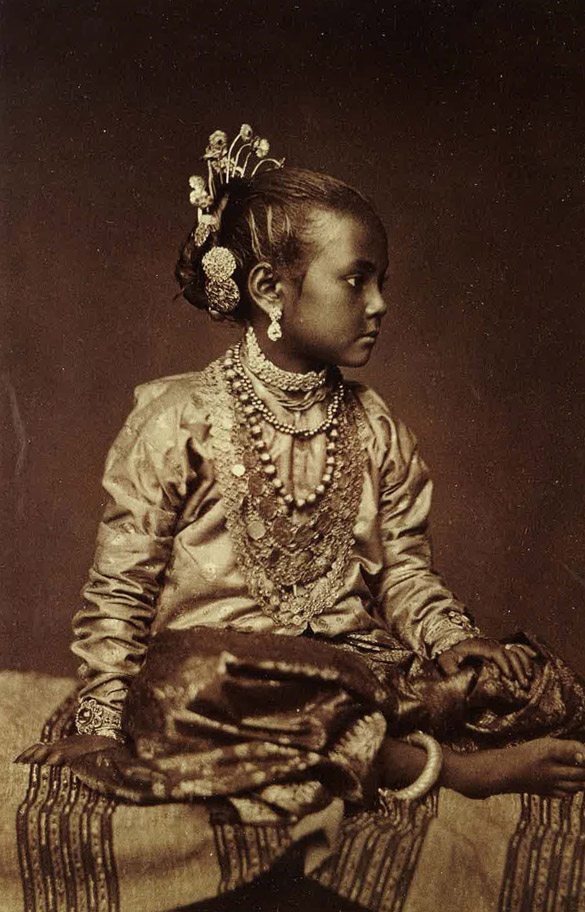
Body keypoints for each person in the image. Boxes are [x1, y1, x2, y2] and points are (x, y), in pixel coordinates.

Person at [17, 124, 585, 816]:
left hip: (357, 673)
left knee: (531, 687)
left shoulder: (375, 427)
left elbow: (403, 572)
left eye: (381, 283)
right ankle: (455, 770)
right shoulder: (176, 419)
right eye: (356, 280)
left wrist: (452, 639)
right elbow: (121, 585)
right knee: (186, 687)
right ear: (268, 288)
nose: (378, 304)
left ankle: (377, 727)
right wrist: (103, 722)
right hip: (227, 683)